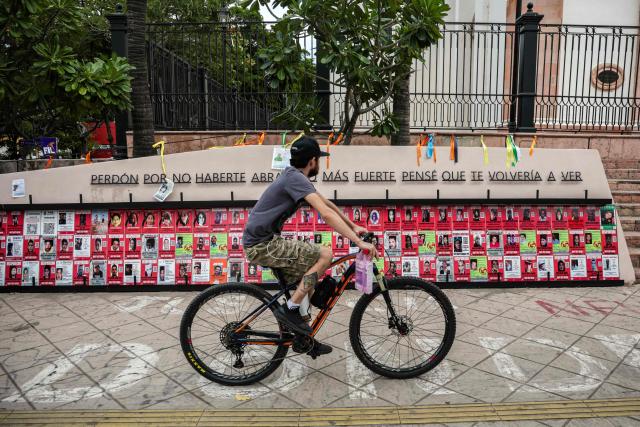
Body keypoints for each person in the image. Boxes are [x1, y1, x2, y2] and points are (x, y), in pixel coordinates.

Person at [242, 136, 374, 356]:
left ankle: (305, 338)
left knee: (308, 277)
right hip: (262, 244)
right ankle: (290, 309)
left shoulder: (294, 177)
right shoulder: (294, 179)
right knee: (325, 254)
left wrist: (354, 226)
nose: (319, 164)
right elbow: (325, 214)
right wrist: (358, 241)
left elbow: (326, 204)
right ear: (312, 161)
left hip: (263, 241)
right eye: (318, 160)